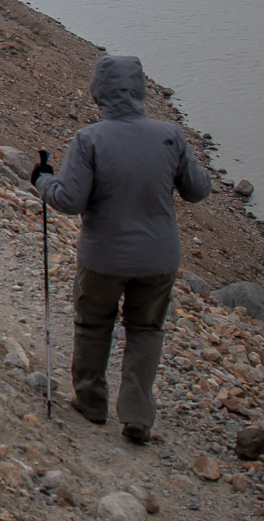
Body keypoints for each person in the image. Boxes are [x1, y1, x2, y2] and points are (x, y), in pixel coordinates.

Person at [32, 54, 211, 444]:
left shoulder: (90, 139)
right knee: (146, 329)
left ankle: (92, 402)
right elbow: (198, 191)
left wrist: (43, 180)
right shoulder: (170, 135)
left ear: (99, 92)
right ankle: (136, 417)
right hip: (159, 259)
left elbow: (70, 200)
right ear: (141, 90)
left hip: (103, 257)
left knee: (94, 324)